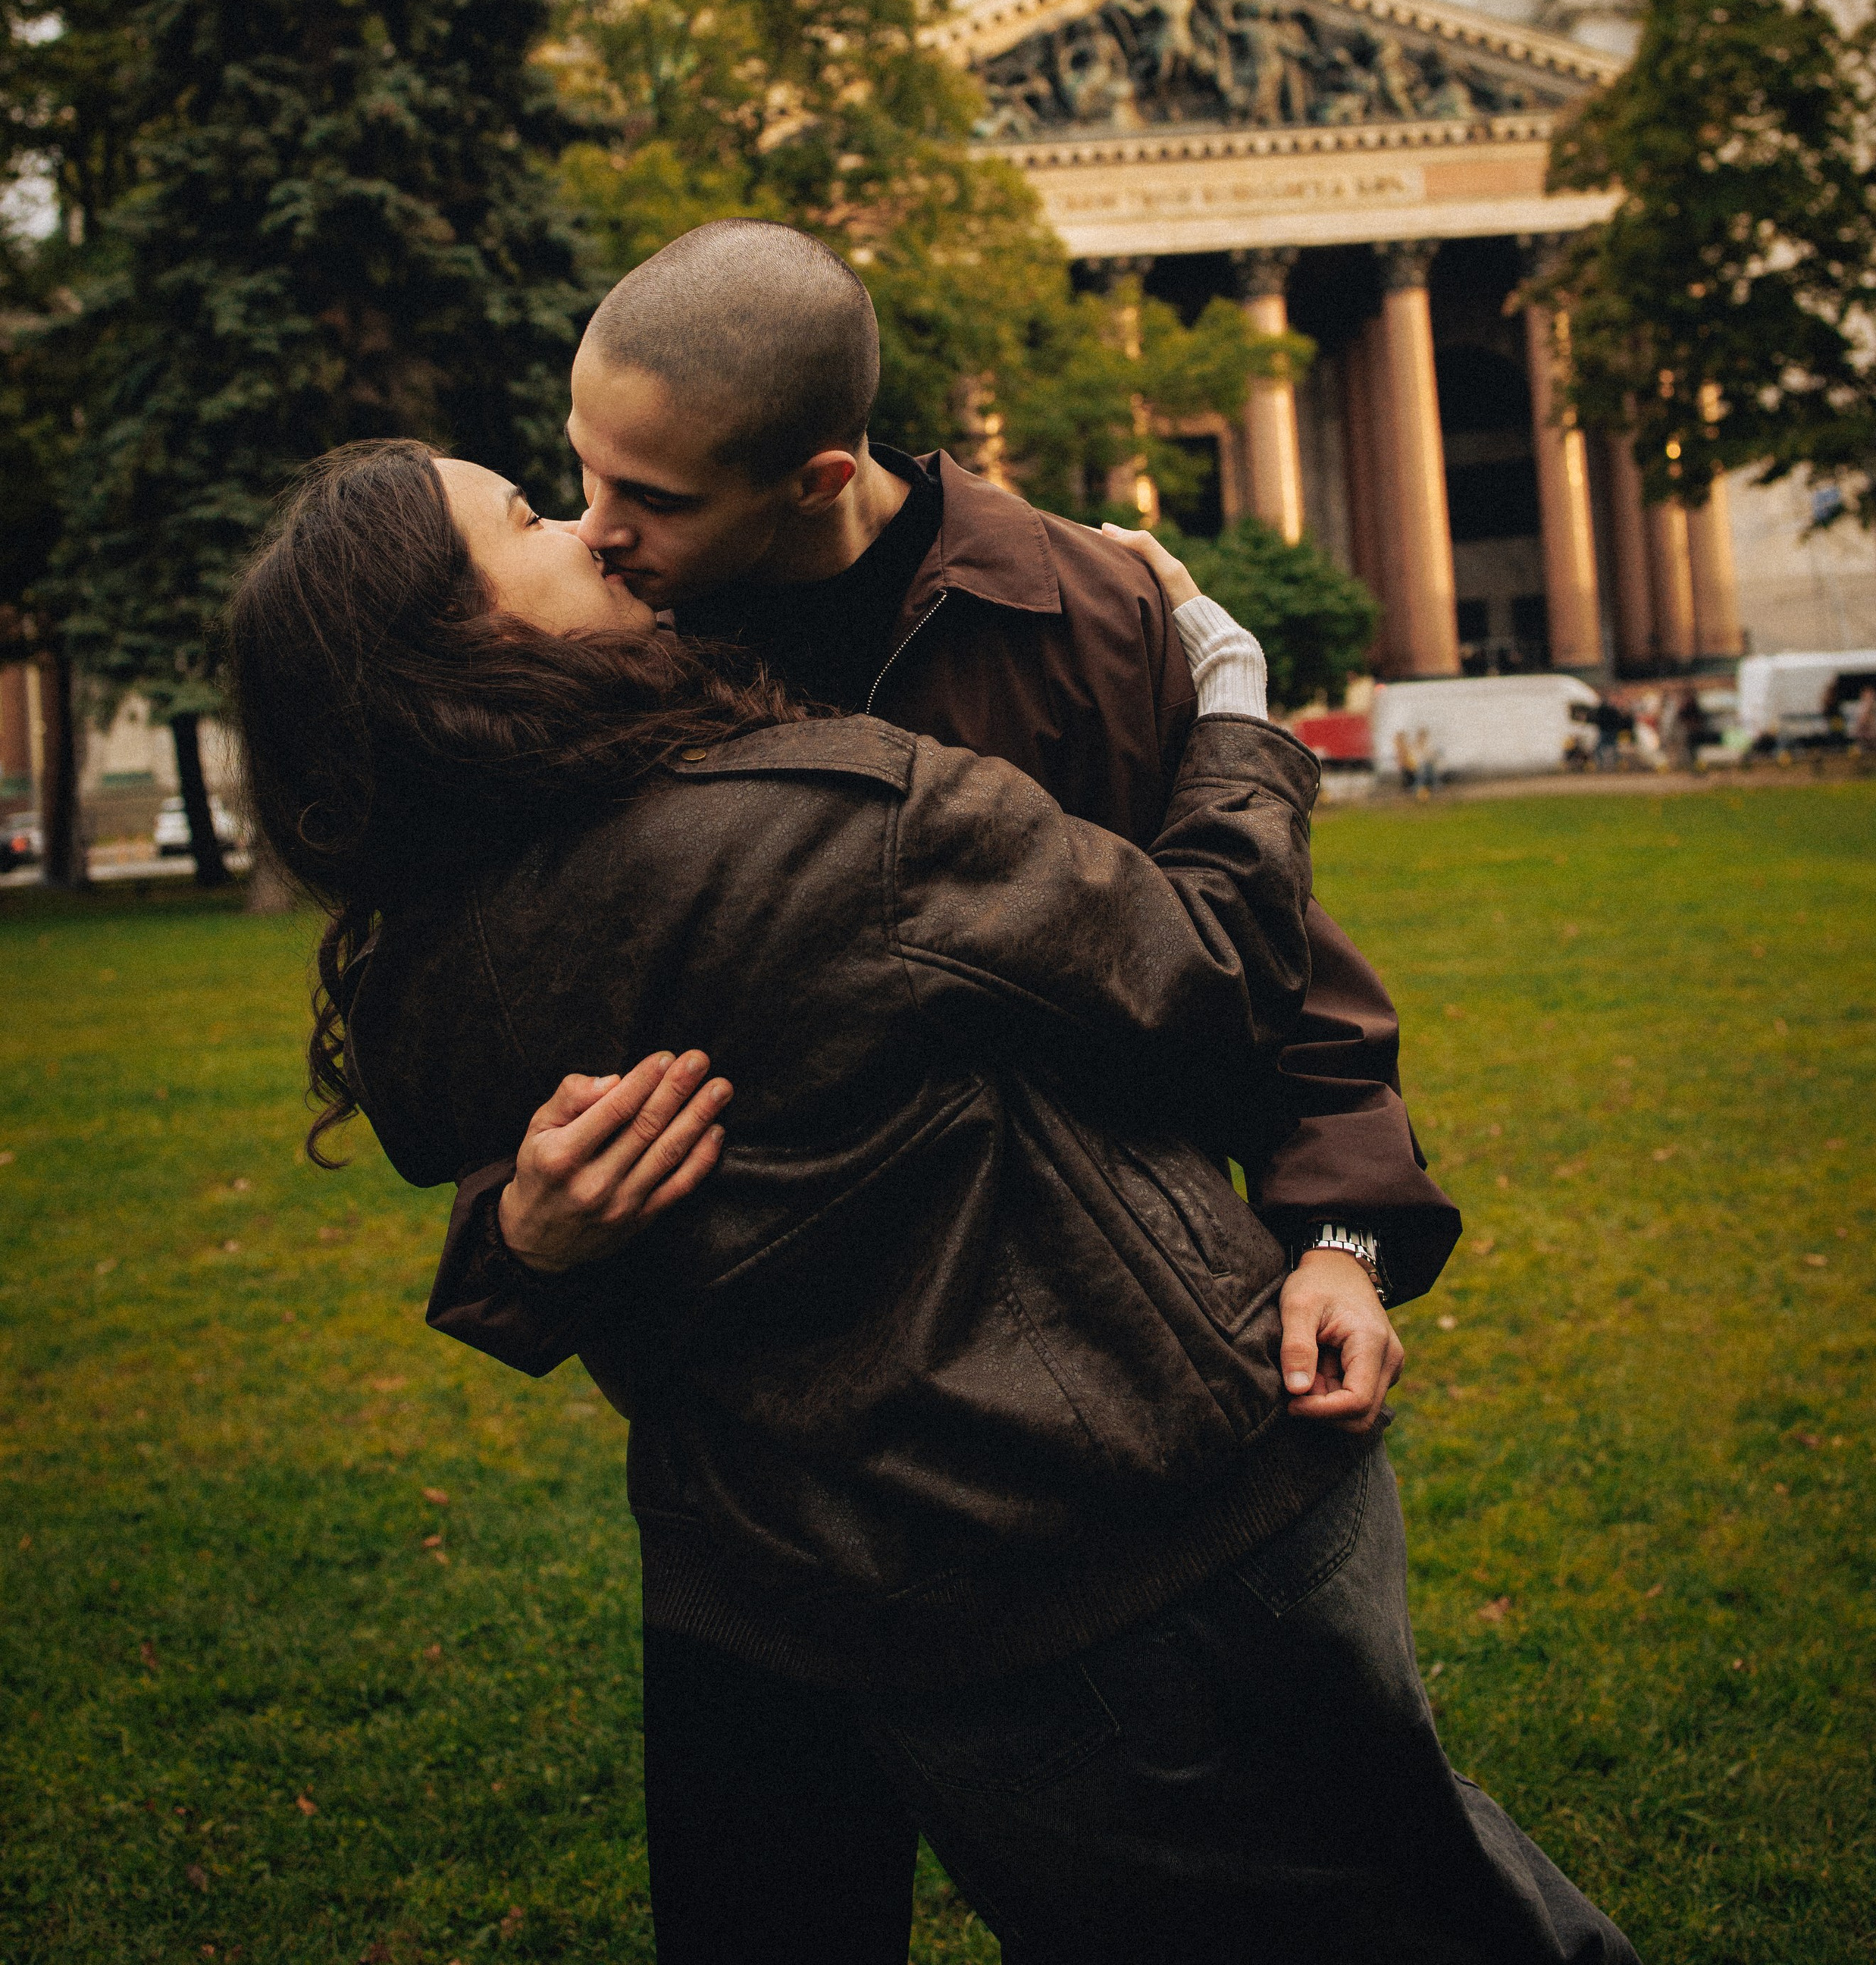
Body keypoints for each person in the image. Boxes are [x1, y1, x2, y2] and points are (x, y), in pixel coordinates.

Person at [229, 437, 1636, 1965]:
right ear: (469, 641)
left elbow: (1293, 1008)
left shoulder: (420, 977)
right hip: (1098, 1535)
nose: (600, 531)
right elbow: (1214, 962)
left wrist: (1341, 1235)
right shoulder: (820, 806)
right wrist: (1233, 696)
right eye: (538, 511)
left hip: (920, 1565)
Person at [424, 224, 1458, 1962]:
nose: (599, 531)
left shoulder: (1081, 607)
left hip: (1056, 1479)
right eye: (576, 474)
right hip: (743, 1520)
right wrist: (518, 1237)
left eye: (650, 498)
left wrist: (1340, 1234)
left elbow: (1270, 970)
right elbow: (488, 1060)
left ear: (819, 473)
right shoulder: (600, 659)